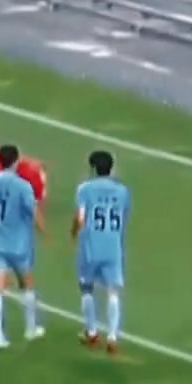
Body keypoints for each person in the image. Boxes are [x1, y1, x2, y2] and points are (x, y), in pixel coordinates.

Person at [0, 146, 45, 350]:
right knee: (27, 284)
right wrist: (44, 231)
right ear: (16, 161)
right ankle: (30, 328)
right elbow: (33, 212)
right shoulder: (24, 186)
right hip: (19, 245)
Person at [72, 148, 130, 354]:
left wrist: (73, 233)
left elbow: (80, 218)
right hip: (113, 246)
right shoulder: (123, 191)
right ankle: (113, 338)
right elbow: (123, 218)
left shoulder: (85, 189)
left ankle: (92, 333)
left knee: (87, 288)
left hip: (91, 246)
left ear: (93, 169)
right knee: (113, 291)